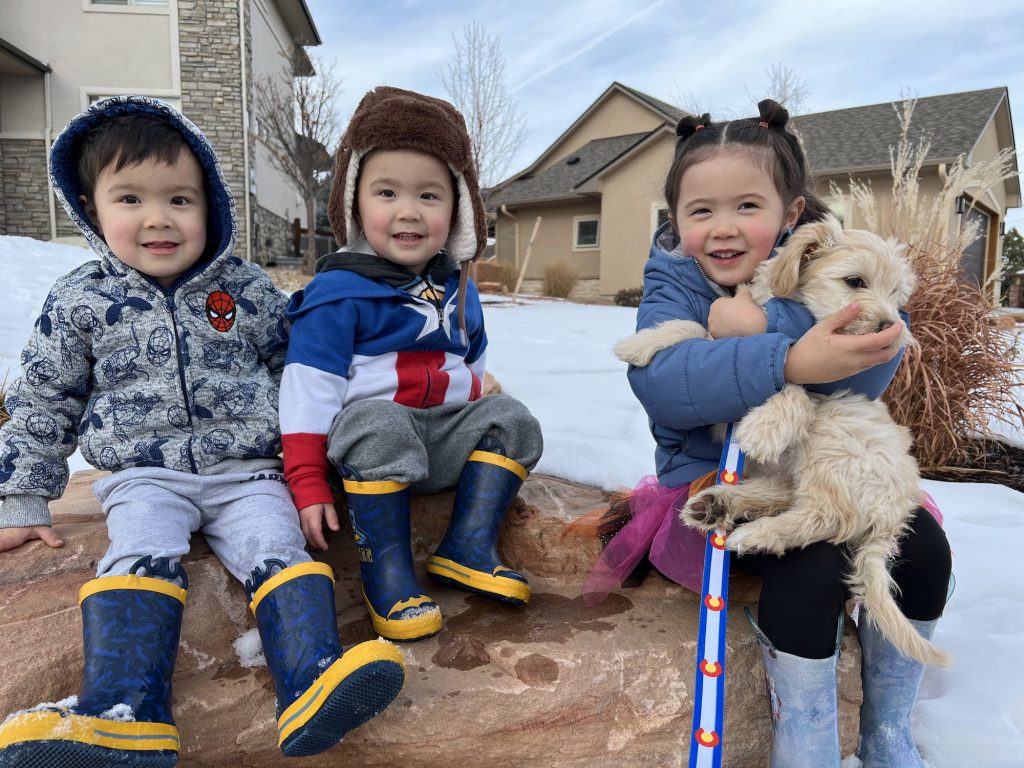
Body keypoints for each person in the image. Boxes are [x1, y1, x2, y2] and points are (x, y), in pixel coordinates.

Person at [0, 96, 405, 768]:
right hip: (143, 475)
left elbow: (302, 375)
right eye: (129, 199)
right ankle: (123, 708)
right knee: (140, 546)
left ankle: (313, 680)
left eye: (180, 200)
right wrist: (20, 495)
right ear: (91, 208)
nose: (158, 218)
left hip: (248, 470)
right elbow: (45, 398)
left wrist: (322, 467)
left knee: (278, 546)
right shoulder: (81, 299)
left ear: (211, 205)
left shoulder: (246, 290)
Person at [585, 100, 952, 767]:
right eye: (701, 212)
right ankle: (805, 744)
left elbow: (882, 344)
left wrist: (766, 337)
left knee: (922, 547)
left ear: (791, 214)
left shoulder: (835, 260)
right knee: (814, 561)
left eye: (748, 207)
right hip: (716, 486)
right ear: (677, 222)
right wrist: (783, 360)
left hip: (827, 469)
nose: (723, 229)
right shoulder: (671, 282)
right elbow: (661, 381)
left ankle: (886, 731)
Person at [280, 86, 544, 643]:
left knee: (513, 417)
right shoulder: (337, 294)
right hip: (366, 452)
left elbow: (468, 362)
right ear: (355, 203)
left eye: (429, 195)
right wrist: (306, 481)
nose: (408, 210)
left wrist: (479, 391)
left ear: (459, 209)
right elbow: (307, 393)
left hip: (438, 441)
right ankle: (389, 575)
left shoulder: (459, 289)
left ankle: (467, 545)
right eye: (386, 192)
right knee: (379, 422)